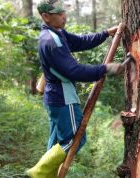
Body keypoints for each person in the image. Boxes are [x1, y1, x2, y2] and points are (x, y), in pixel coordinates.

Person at [26, 0, 124, 177]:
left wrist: (105, 34)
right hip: (62, 98)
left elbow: (79, 42)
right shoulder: (51, 41)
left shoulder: (56, 33)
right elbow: (74, 71)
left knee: (56, 141)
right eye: (59, 14)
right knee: (74, 139)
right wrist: (105, 69)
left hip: (55, 98)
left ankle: (46, 176)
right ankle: (38, 173)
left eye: (63, 11)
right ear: (46, 17)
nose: (64, 16)